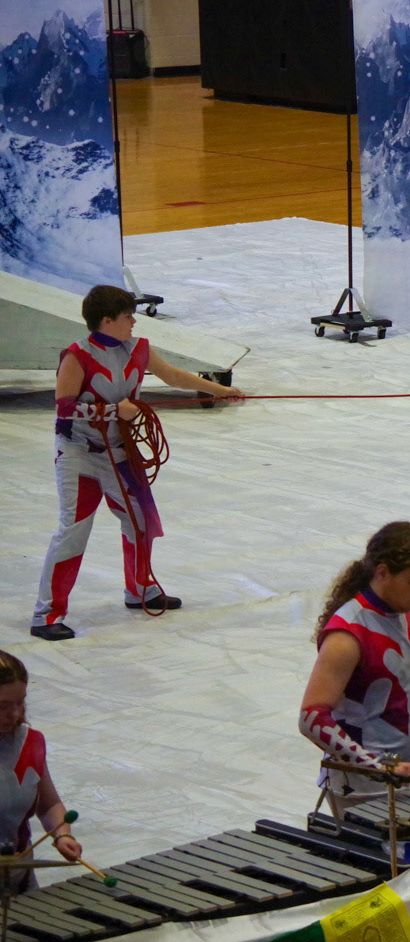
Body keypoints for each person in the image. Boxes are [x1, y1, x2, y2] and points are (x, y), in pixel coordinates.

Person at [32, 285, 245, 641]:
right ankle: (46, 615)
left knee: (141, 521)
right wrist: (113, 410)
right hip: (79, 454)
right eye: (128, 316)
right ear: (107, 321)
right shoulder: (77, 356)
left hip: (120, 451)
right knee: (73, 532)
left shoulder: (139, 348)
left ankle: (140, 590)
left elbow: (173, 375)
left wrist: (220, 390)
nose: (134, 321)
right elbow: (64, 407)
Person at [299, 522, 410, 820]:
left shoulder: (402, 610)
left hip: (394, 773)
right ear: (383, 572)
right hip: (358, 787)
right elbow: (311, 718)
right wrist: (377, 767)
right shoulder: (347, 635)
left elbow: (406, 678)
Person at [0, 651, 84, 894]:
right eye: (2, 706)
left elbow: (49, 804)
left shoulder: (29, 743)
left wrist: (62, 835)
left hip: (18, 881)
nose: (15, 714)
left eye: (20, 702)